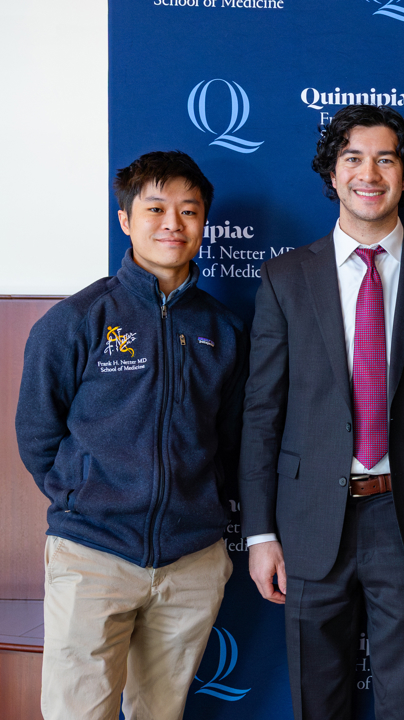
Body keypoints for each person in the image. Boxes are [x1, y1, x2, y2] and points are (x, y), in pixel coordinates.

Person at [238, 104, 404, 720]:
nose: (369, 172)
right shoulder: (285, 277)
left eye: (385, 158)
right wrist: (260, 533)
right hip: (310, 523)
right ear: (333, 175)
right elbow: (262, 413)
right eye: (353, 158)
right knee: (319, 701)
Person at [16, 150, 246, 720]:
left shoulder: (224, 329)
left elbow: (233, 437)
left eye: (189, 211)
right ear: (126, 219)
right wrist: (87, 497)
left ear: (203, 223)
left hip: (191, 558)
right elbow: (38, 433)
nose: (173, 223)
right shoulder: (76, 320)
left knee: (160, 712)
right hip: (93, 554)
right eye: (156, 208)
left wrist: (203, 508)